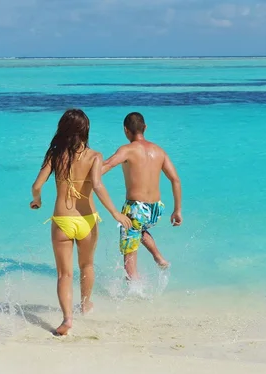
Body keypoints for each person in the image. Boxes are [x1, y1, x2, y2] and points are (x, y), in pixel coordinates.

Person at [30, 109, 131, 335]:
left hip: (63, 220)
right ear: (86, 130)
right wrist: (115, 212)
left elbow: (37, 185)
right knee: (86, 265)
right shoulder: (94, 156)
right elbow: (97, 185)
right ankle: (85, 305)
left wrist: (36, 200)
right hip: (87, 219)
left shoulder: (55, 155)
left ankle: (67, 319)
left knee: (64, 274)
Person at [102, 112, 182, 281]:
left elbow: (107, 165)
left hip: (136, 207)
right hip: (156, 208)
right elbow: (175, 179)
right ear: (145, 128)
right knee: (139, 229)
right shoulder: (159, 151)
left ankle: (135, 290)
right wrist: (177, 210)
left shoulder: (127, 150)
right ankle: (158, 257)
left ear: (125, 130)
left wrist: (84, 176)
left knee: (129, 253)